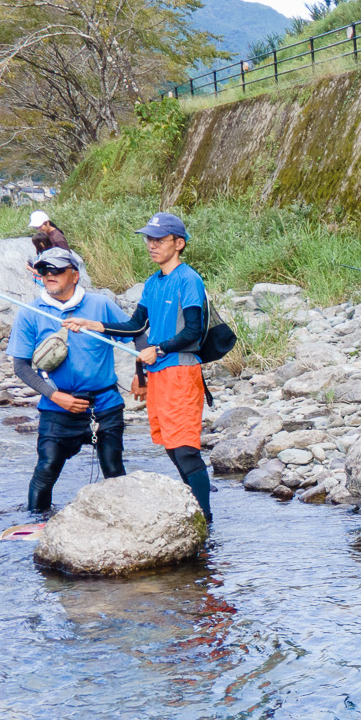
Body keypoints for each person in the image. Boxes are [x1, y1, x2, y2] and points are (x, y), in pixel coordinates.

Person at [11, 246, 138, 513]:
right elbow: (21, 367)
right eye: (44, 270)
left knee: (114, 472)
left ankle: (124, 524)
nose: (49, 275)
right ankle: (36, 524)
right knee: (45, 472)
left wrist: (142, 376)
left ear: (75, 275)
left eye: (57, 270)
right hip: (57, 407)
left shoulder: (101, 305)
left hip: (104, 406)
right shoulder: (30, 313)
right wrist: (55, 395)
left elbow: (137, 336)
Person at [130, 210, 215, 525]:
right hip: (157, 375)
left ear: (178, 243)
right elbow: (134, 325)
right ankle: (193, 508)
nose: (151, 245)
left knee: (185, 450)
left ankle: (205, 519)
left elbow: (193, 331)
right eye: (148, 239)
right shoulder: (153, 282)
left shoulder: (189, 279)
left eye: (159, 239)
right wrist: (91, 323)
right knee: (169, 446)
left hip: (181, 372)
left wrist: (160, 349)